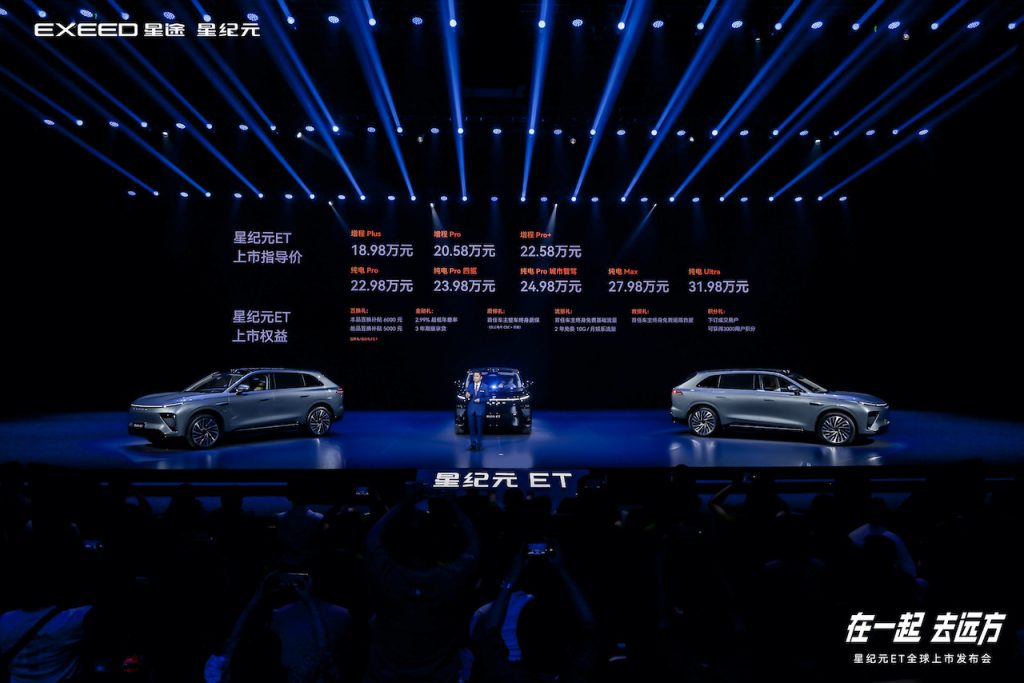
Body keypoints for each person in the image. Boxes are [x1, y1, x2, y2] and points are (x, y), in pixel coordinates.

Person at [465, 371, 488, 450]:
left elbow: (488, 397)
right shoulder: (470, 386)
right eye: (474, 376)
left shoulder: (485, 386)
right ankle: (472, 444)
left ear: (481, 377)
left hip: (480, 409)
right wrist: (467, 395)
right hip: (471, 409)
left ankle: (479, 444)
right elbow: (467, 394)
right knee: (471, 428)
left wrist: (480, 400)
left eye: (477, 376)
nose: (475, 377)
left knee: (479, 428)